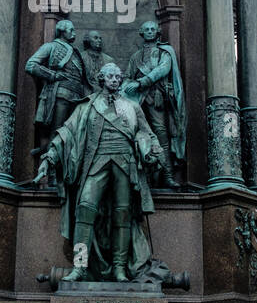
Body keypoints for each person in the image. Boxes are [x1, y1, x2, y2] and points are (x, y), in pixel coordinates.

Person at [34, 63, 163, 283]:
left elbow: (146, 133)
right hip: (96, 162)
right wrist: (48, 158)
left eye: (117, 76)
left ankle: (120, 269)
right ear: (101, 79)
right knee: (84, 210)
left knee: (122, 215)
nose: (114, 80)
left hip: (125, 163)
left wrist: (153, 152)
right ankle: (80, 266)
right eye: (110, 76)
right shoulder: (87, 106)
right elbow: (66, 133)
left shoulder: (132, 106)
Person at [123, 21, 185, 186]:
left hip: (156, 98)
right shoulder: (135, 57)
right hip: (137, 101)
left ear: (157, 32)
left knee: (161, 135)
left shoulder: (165, 52)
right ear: (141, 32)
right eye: (147, 29)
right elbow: (128, 76)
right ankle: (140, 176)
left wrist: (141, 82)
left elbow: (163, 70)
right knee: (136, 134)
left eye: (153, 29)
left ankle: (167, 175)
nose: (150, 32)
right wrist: (126, 86)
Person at [25, 20, 91, 159]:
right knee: (57, 132)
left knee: (72, 135)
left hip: (77, 98)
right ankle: (51, 173)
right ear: (62, 31)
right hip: (60, 95)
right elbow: (31, 65)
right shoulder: (50, 46)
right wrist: (53, 75)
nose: (74, 33)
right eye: (70, 30)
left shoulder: (75, 52)